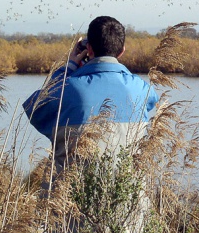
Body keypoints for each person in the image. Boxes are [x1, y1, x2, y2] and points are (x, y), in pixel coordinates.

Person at [23, 15, 159, 172]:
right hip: (129, 194)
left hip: (70, 194)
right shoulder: (142, 88)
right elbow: (151, 102)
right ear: (121, 52)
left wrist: (70, 67)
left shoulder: (68, 88)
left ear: (89, 49)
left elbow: (36, 108)